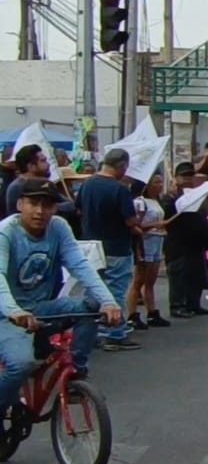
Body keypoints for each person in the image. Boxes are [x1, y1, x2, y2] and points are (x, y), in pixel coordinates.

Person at [0, 179, 122, 429]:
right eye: (33, 204)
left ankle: (77, 370)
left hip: (41, 309)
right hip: (6, 315)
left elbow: (80, 266)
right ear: (20, 204)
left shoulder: (58, 227)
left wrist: (108, 301)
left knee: (90, 308)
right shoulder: (7, 232)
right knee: (21, 364)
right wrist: (15, 311)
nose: (40, 211)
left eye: (47, 205)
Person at [74, 147, 141, 352]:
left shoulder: (88, 183)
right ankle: (115, 333)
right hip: (116, 247)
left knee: (93, 291)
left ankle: (89, 332)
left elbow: (78, 209)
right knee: (116, 291)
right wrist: (138, 224)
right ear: (121, 166)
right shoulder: (119, 189)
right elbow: (130, 220)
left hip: (91, 247)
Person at [162, 162, 208, 319]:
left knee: (196, 275)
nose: (188, 179)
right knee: (179, 275)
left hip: (196, 242)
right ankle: (177, 305)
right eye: (184, 176)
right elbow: (167, 215)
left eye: (190, 176)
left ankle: (193, 303)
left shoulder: (197, 195)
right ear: (176, 178)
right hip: (179, 242)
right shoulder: (171, 197)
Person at [129, 172, 172, 330]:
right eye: (156, 182)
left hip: (157, 240)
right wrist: (156, 225)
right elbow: (136, 225)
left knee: (151, 280)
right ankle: (132, 314)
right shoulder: (140, 202)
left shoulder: (156, 201)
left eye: (161, 182)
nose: (160, 185)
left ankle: (152, 312)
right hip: (145, 242)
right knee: (139, 280)